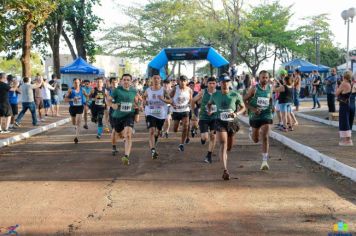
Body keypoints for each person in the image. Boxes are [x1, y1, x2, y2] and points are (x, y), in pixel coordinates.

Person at [208, 75, 245, 180]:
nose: (225, 83)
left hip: (232, 123)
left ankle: (224, 159)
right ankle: (225, 170)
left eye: (227, 81)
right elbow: (209, 104)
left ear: (229, 83)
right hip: (220, 122)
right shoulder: (215, 95)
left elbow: (243, 108)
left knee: (229, 147)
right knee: (223, 144)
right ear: (220, 83)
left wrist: (236, 113)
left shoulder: (235, 95)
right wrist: (210, 110)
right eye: (223, 81)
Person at [244, 70, 274, 171]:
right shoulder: (254, 88)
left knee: (265, 136)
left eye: (266, 77)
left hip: (266, 114)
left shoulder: (270, 88)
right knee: (256, 139)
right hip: (255, 116)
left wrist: (272, 106)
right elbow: (245, 100)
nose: (265, 79)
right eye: (263, 78)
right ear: (259, 78)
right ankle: (252, 131)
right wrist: (253, 109)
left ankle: (265, 161)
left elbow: (270, 99)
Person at [108, 74, 140, 165]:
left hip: (129, 115)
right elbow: (108, 100)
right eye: (124, 80)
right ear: (121, 81)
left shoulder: (134, 91)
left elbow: (139, 100)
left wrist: (138, 106)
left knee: (128, 135)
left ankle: (126, 156)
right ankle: (114, 146)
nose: (126, 81)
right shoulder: (117, 90)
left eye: (128, 80)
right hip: (117, 116)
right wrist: (112, 104)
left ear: (131, 81)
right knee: (117, 134)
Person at [143, 75, 171, 159]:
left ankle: (157, 135)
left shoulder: (164, 90)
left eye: (158, 78)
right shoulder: (148, 90)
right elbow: (144, 97)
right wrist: (144, 102)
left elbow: (170, 101)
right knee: (151, 130)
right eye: (154, 78)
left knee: (158, 132)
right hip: (150, 113)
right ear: (151, 79)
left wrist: (163, 99)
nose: (156, 80)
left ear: (160, 80)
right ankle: (153, 150)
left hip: (161, 115)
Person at [192, 77, 217, 163]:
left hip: (215, 118)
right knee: (205, 137)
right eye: (210, 83)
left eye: (213, 83)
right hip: (203, 117)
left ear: (216, 84)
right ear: (207, 84)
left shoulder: (218, 93)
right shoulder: (203, 92)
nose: (212, 85)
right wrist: (193, 113)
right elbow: (193, 100)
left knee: (213, 136)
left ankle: (209, 155)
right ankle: (203, 139)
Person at [170, 75, 193, 152]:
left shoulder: (189, 90)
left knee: (185, 127)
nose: (182, 82)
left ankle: (181, 144)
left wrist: (190, 105)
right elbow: (169, 97)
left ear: (186, 82)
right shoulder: (175, 88)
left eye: (184, 81)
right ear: (179, 81)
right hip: (176, 111)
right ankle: (178, 125)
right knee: (175, 129)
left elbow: (191, 100)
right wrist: (172, 103)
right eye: (181, 81)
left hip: (185, 110)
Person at [64, 78, 86, 144]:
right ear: (73, 83)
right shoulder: (70, 90)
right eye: (75, 83)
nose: (76, 84)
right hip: (72, 108)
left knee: (78, 123)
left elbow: (87, 96)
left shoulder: (82, 90)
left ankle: (76, 137)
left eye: (77, 82)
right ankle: (76, 127)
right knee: (74, 123)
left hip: (80, 107)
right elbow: (65, 99)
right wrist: (72, 99)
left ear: (80, 83)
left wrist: (87, 102)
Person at [336, 71, 353, 146]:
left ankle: (348, 141)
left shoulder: (343, 84)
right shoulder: (349, 84)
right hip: (348, 104)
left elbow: (336, 93)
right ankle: (348, 139)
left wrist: (337, 86)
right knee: (347, 121)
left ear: (344, 76)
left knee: (344, 122)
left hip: (343, 105)